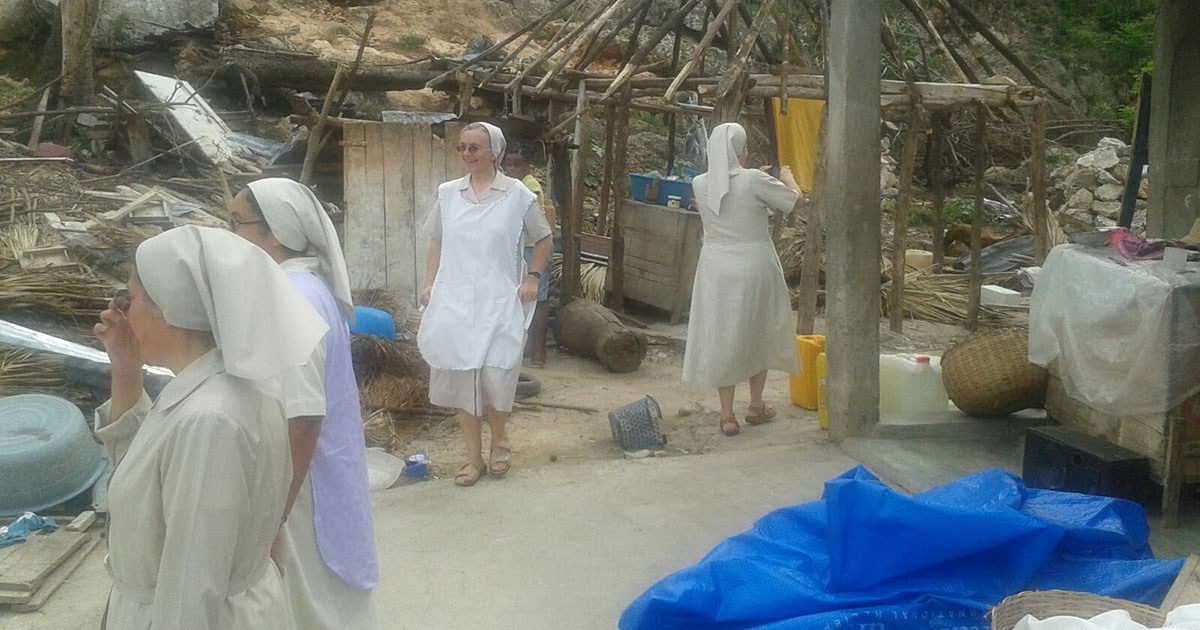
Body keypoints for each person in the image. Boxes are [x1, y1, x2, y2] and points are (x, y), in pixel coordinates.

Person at [92, 226, 328, 629]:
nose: (122, 314)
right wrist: (126, 367)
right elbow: (142, 474)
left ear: (168, 306)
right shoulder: (221, 388)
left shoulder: (209, 420)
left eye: (128, 299)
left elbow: (192, 585)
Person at [230, 178, 379, 629]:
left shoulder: (291, 298)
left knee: (310, 605)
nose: (230, 235)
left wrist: (273, 517)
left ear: (274, 232)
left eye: (237, 223)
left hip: (301, 486)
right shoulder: (307, 286)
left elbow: (304, 417)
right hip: (318, 473)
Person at [418, 121, 553, 487]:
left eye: (474, 147)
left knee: (496, 374)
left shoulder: (517, 195)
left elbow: (543, 237)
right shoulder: (448, 194)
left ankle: (500, 441)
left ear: (495, 151)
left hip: (499, 300)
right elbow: (436, 241)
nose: (467, 154)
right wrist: (430, 284)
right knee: (465, 379)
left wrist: (532, 277)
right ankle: (473, 457)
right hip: (457, 300)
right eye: (462, 147)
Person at [681, 122, 803, 436]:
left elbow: (729, 187)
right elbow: (794, 200)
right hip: (754, 266)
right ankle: (756, 405)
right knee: (757, 331)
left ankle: (726, 416)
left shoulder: (699, 183)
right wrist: (786, 177)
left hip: (716, 269)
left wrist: (756, 177)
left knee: (724, 335)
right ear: (740, 152)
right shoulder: (754, 180)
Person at [502, 145, 556, 368]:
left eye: (517, 164)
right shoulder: (515, 186)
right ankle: (528, 346)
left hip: (535, 248)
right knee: (523, 299)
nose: (512, 169)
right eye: (508, 164)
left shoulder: (529, 187)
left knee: (539, 300)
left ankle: (540, 351)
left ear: (527, 167)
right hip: (522, 248)